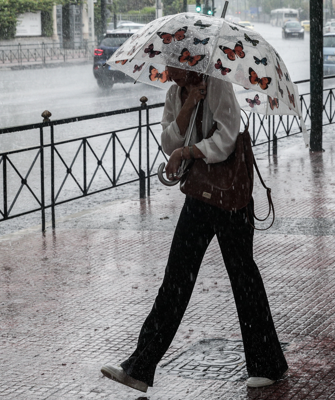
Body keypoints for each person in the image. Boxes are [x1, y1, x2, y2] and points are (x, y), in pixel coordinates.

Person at [101, 67, 288, 393]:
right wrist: (188, 106)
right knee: (175, 281)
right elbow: (168, 141)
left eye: (176, 66)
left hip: (230, 196)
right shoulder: (176, 93)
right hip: (199, 194)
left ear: (192, 62)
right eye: (167, 66)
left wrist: (189, 151)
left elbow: (228, 137)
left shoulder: (218, 85)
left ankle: (268, 365)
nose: (169, 72)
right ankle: (140, 367)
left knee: (243, 278)